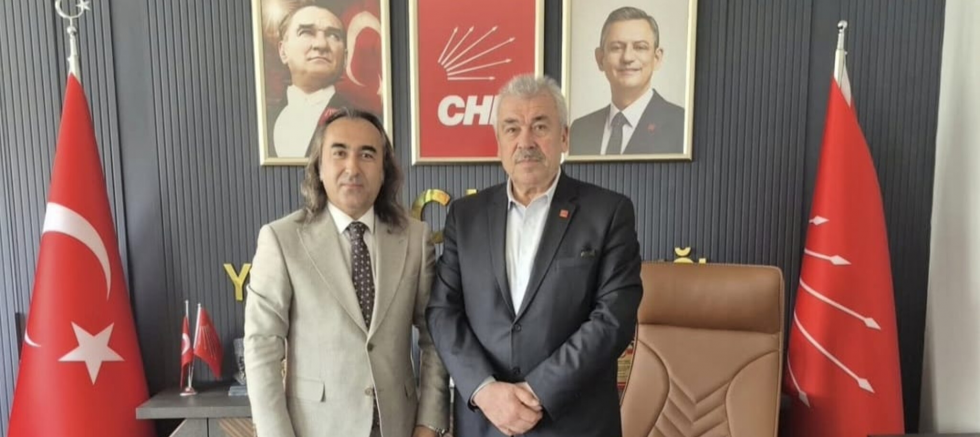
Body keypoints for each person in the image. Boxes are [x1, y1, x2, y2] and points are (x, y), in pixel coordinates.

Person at [426, 74, 643, 437]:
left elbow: (613, 319)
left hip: (575, 424)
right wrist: (484, 390)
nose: (525, 141)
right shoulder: (465, 216)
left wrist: (537, 391)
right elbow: (443, 313)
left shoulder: (608, 212)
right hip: (485, 422)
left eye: (540, 126)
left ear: (564, 137)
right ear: (499, 142)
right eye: (512, 128)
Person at [245, 108, 449, 437]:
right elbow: (262, 346)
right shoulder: (282, 240)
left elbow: (436, 336)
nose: (352, 168)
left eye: (367, 155)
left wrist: (429, 423)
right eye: (339, 153)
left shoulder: (415, 238)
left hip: (398, 426)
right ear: (319, 166)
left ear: (383, 170)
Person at [569, 6, 684, 156]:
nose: (627, 57)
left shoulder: (682, 125)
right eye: (616, 48)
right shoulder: (580, 130)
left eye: (640, 47)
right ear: (600, 59)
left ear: (656, 58)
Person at [272, 4, 353, 159]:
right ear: (283, 51)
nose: (321, 45)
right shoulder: (262, 120)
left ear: (345, 57)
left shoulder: (362, 121)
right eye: (306, 32)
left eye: (333, 36)